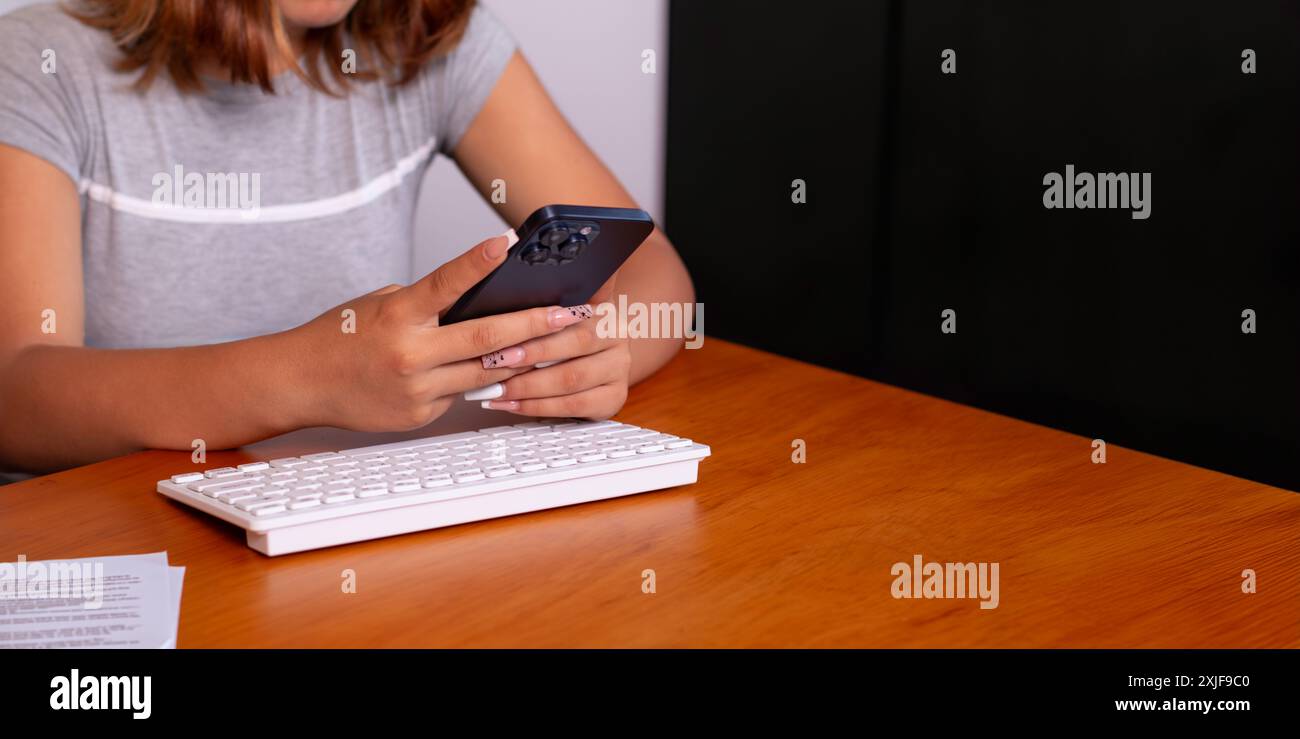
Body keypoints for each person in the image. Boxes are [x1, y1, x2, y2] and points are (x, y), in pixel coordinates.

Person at [0, 0, 694, 475]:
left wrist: (596, 349)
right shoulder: (41, 62)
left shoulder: (423, 36)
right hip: (130, 531)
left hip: (352, 520)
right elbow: (15, 390)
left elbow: (653, 268)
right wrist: (306, 377)